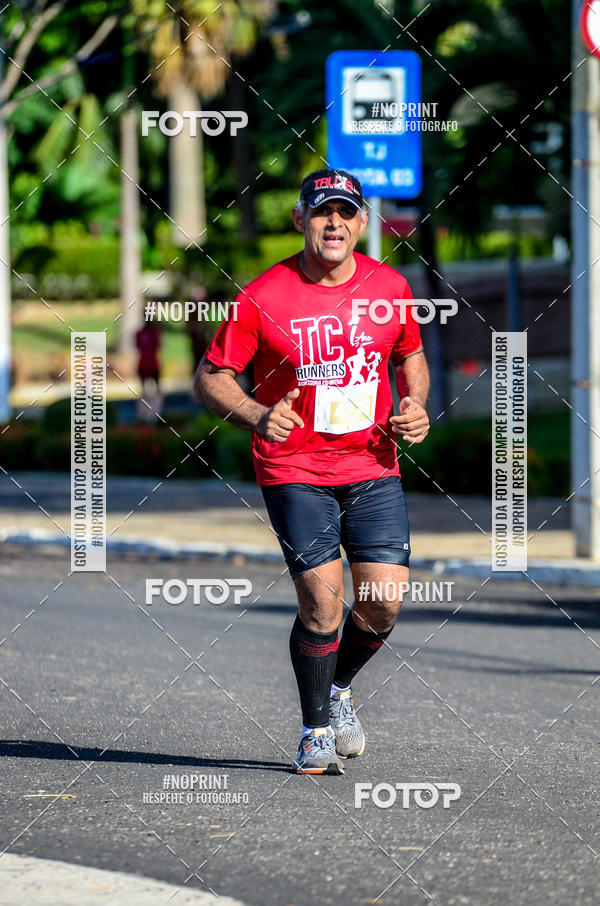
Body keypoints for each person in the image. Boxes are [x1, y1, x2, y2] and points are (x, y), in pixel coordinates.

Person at [194, 168, 430, 775]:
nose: (335, 223)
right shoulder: (264, 295)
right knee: (323, 607)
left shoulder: (391, 286)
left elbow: (409, 354)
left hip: (373, 464)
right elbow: (211, 376)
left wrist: (416, 404)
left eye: (347, 212)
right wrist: (255, 414)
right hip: (295, 466)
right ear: (301, 218)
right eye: (323, 211)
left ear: (361, 222)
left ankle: (339, 687)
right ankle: (315, 730)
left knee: (382, 602)